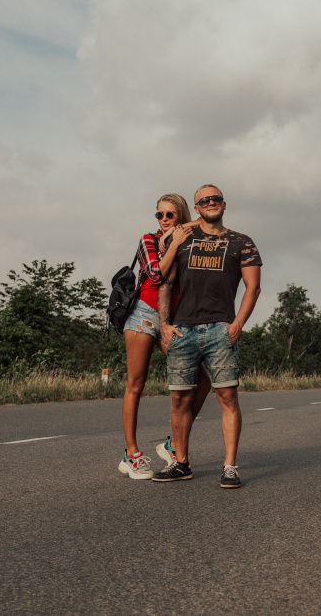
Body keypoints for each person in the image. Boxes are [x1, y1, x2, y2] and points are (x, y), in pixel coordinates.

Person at [153, 184, 262, 488]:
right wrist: (164, 324)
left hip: (220, 329)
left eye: (216, 199)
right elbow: (165, 283)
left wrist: (237, 324)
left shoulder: (242, 242)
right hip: (183, 329)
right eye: (204, 200)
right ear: (197, 208)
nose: (211, 202)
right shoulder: (182, 238)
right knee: (179, 399)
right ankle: (181, 463)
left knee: (227, 397)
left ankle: (230, 467)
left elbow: (253, 287)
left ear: (224, 204)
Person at [117, 193, 211, 478]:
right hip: (144, 314)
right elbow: (156, 275)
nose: (164, 219)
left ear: (180, 215)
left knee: (203, 381)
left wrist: (177, 235)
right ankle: (131, 455)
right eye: (159, 214)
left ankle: (173, 443)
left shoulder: (188, 239)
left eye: (170, 214)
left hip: (172, 319)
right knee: (136, 383)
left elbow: (206, 220)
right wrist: (173, 242)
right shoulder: (148, 240)